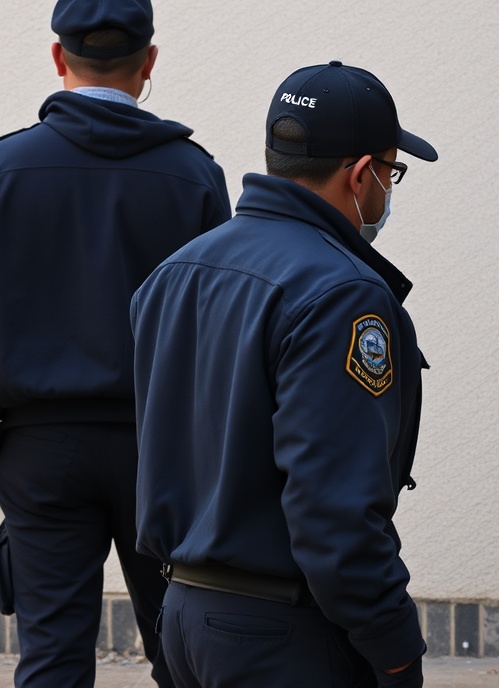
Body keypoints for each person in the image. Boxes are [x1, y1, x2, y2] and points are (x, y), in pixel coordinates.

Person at [131, 60, 436, 688]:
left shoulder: (174, 273)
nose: (388, 189)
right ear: (360, 175)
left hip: (183, 618)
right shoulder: (343, 294)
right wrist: (396, 648)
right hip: (279, 633)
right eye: (391, 171)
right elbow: (335, 509)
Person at [0, 0, 231, 688]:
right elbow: (217, 337)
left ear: (57, 57)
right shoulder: (194, 175)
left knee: (50, 656)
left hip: (37, 451)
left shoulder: (5, 169)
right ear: (149, 61)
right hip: (161, 452)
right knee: (183, 652)